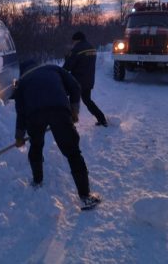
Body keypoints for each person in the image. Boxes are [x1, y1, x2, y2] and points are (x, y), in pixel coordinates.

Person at [14, 60, 101, 209]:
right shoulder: (53, 69)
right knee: (72, 151)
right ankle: (85, 196)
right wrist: (74, 109)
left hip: (34, 115)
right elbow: (75, 86)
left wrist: (19, 136)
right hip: (59, 110)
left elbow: (21, 112)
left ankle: (37, 181)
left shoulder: (22, 82)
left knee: (36, 145)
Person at [63, 31, 108, 127]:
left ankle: (69, 123)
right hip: (89, 80)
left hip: (77, 81)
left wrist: (67, 58)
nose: (73, 43)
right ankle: (102, 119)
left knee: (70, 99)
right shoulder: (91, 47)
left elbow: (67, 67)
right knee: (87, 100)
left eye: (73, 41)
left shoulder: (76, 49)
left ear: (77, 40)